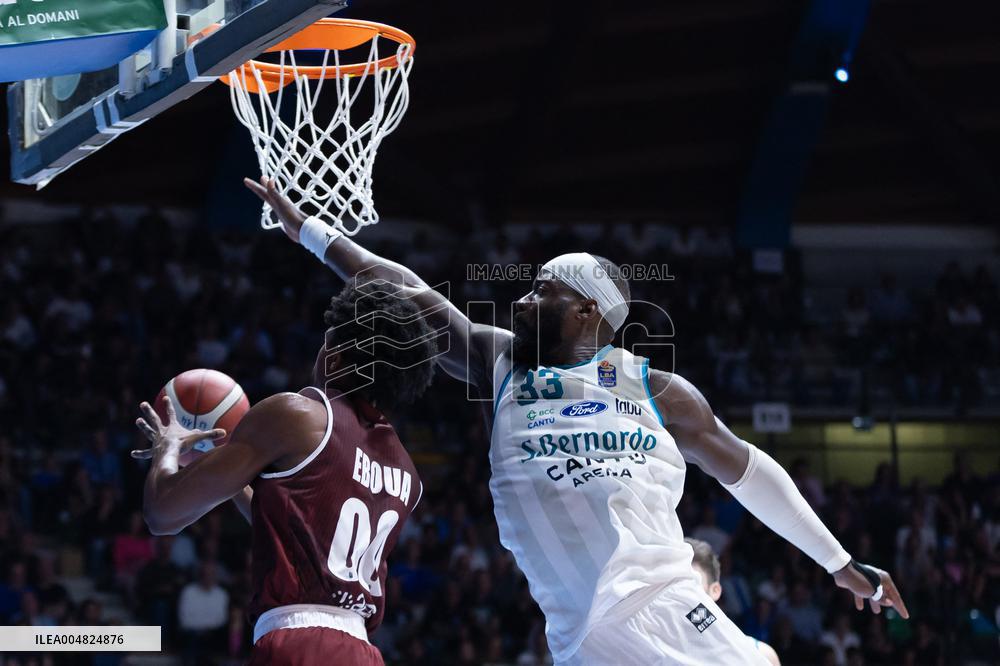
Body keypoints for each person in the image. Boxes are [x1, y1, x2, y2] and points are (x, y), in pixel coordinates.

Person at [246, 176, 908, 665]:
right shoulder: (500, 360)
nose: (525, 299)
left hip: (662, 606)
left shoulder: (658, 389)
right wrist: (310, 230)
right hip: (576, 637)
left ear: (588, 311)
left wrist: (839, 561)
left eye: (544, 291)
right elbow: (404, 289)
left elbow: (750, 472)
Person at [132, 279, 438, 665]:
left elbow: (162, 513)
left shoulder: (299, 415)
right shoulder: (407, 473)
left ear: (335, 359)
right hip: (363, 651)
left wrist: (167, 449)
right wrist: (222, 471)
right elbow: (291, 521)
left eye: (326, 343)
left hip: (298, 644)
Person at [685, 537, 781, 665]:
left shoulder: (760, 655)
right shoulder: (655, 655)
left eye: (692, 585)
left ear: (715, 591)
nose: (683, 596)